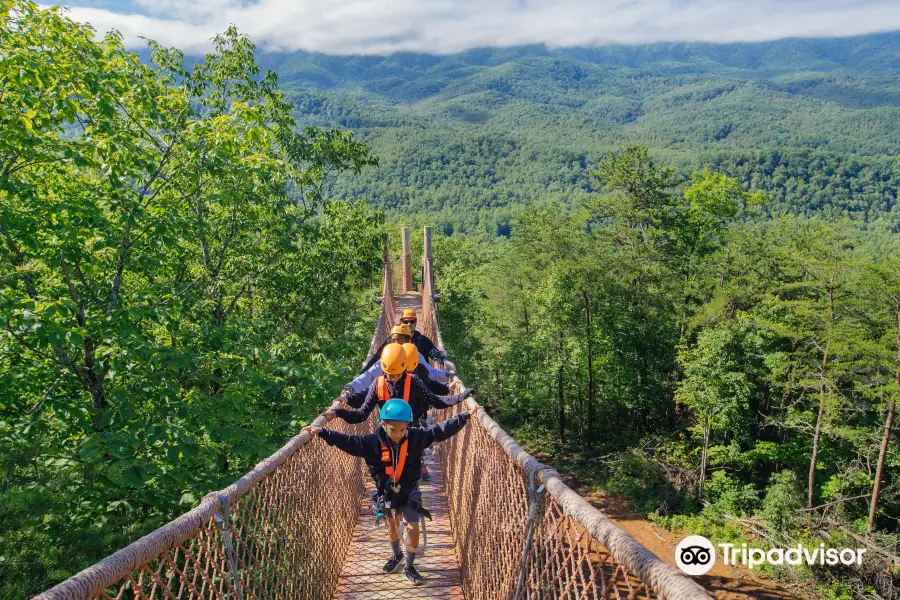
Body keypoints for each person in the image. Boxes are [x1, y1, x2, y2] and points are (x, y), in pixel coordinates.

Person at [306, 399, 474, 586]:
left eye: (402, 430)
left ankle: (410, 566)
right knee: (392, 526)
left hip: (409, 490)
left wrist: (464, 416)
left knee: (413, 528)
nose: (398, 434)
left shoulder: (416, 437)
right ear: (383, 424)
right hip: (385, 492)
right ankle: (397, 554)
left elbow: (439, 430)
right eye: (393, 429)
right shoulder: (371, 443)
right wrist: (323, 433)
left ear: (408, 426)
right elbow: (349, 442)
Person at [326, 343, 475, 480]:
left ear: (405, 367)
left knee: (409, 476)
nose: (394, 378)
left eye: (397, 374)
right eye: (390, 374)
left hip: (410, 433)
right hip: (387, 436)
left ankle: (409, 497)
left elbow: (435, 400)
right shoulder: (377, 384)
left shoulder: (414, 381)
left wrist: (461, 397)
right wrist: (340, 412)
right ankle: (384, 501)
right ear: (383, 369)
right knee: (385, 476)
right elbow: (361, 414)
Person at [340, 336, 449, 403]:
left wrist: (448, 381)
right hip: (389, 415)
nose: (397, 342)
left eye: (400, 339)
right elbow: (368, 376)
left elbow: (430, 380)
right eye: (394, 339)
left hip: (413, 415)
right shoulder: (387, 360)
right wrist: (351, 389)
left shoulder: (416, 359)